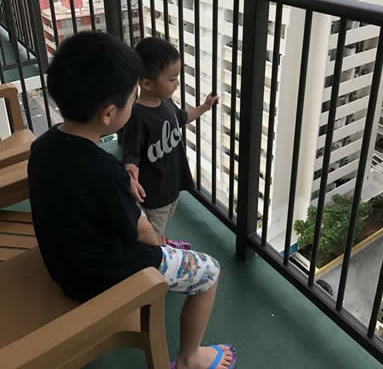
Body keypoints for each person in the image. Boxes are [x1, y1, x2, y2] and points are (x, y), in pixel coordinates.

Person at [28, 31, 236, 369]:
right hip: (100, 277)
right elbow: (145, 236)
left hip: (65, 264)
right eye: (132, 98)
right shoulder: (104, 171)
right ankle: (190, 357)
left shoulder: (42, 146)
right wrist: (151, 233)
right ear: (109, 113)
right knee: (209, 272)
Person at [122, 37, 219, 247]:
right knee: (153, 231)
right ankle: (159, 256)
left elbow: (183, 117)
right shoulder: (137, 116)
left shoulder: (166, 102)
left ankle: (163, 241)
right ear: (147, 83)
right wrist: (131, 174)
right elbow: (131, 153)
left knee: (163, 221)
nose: (177, 84)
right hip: (155, 192)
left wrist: (205, 107)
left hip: (171, 184)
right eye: (172, 79)